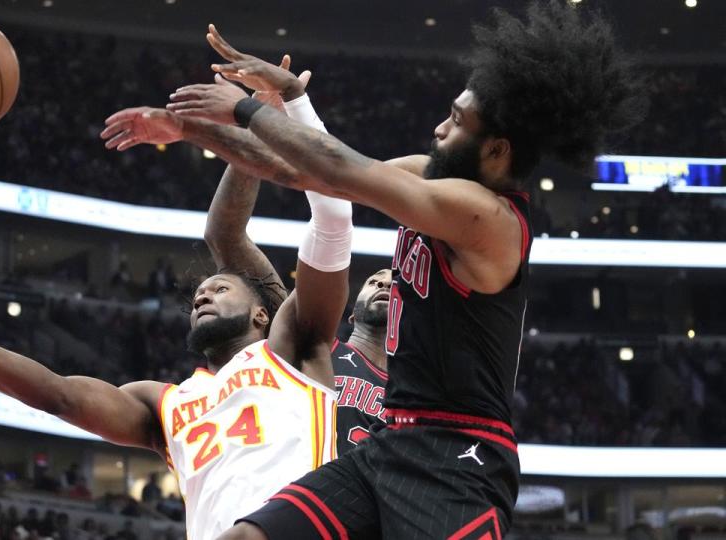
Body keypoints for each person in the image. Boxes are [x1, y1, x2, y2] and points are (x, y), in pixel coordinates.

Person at [102, 2, 645, 537]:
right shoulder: (430, 176)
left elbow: (340, 170)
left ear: (497, 149)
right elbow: (307, 173)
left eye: (455, 122)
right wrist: (196, 125)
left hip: (458, 459)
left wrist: (246, 111)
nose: (437, 128)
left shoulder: (489, 220)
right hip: (393, 439)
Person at [0, 160, 353, 540]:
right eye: (200, 293)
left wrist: (255, 126)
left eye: (221, 289)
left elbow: (316, 232)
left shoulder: (290, 350)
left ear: (263, 313)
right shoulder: (165, 403)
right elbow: (58, 395)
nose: (202, 294)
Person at [199, 68, 390, 456]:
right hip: (295, 500)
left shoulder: (421, 390)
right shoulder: (308, 333)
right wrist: (257, 128)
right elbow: (225, 236)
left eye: (394, 282)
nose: (385, 284)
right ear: (349, 312)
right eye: (373, 280)